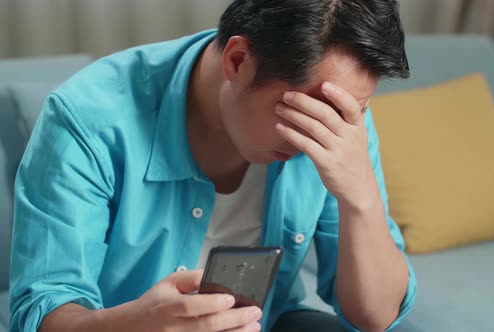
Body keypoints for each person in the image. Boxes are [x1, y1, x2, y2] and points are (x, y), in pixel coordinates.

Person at [9, 0, 417, 331]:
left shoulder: (341, 126)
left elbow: (375, 317)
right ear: (238, 61)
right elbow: (44, 312)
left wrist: (360, 197)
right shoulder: (88, 119)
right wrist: (134, 325)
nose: (318, 139)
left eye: (355, 111)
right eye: (304, 114)